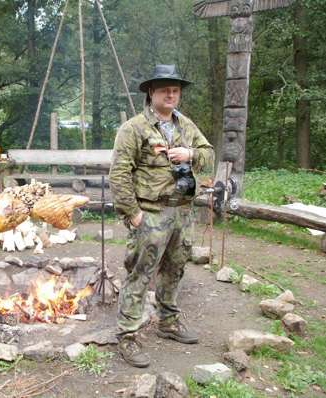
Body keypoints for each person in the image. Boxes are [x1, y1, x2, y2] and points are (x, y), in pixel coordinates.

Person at [109, 64, 214, 368]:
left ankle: (168, 322)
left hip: (182, 211)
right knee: (141, 272)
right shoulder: (134, 128)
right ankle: (127, 335)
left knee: (175, 268)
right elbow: (119, 174)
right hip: (151, 212)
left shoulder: (185, 125)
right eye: (165, 89)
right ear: (151, 93)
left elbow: (208, 155)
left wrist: (189, 154)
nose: (171, 94)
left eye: (176, 90)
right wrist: (133, 214)